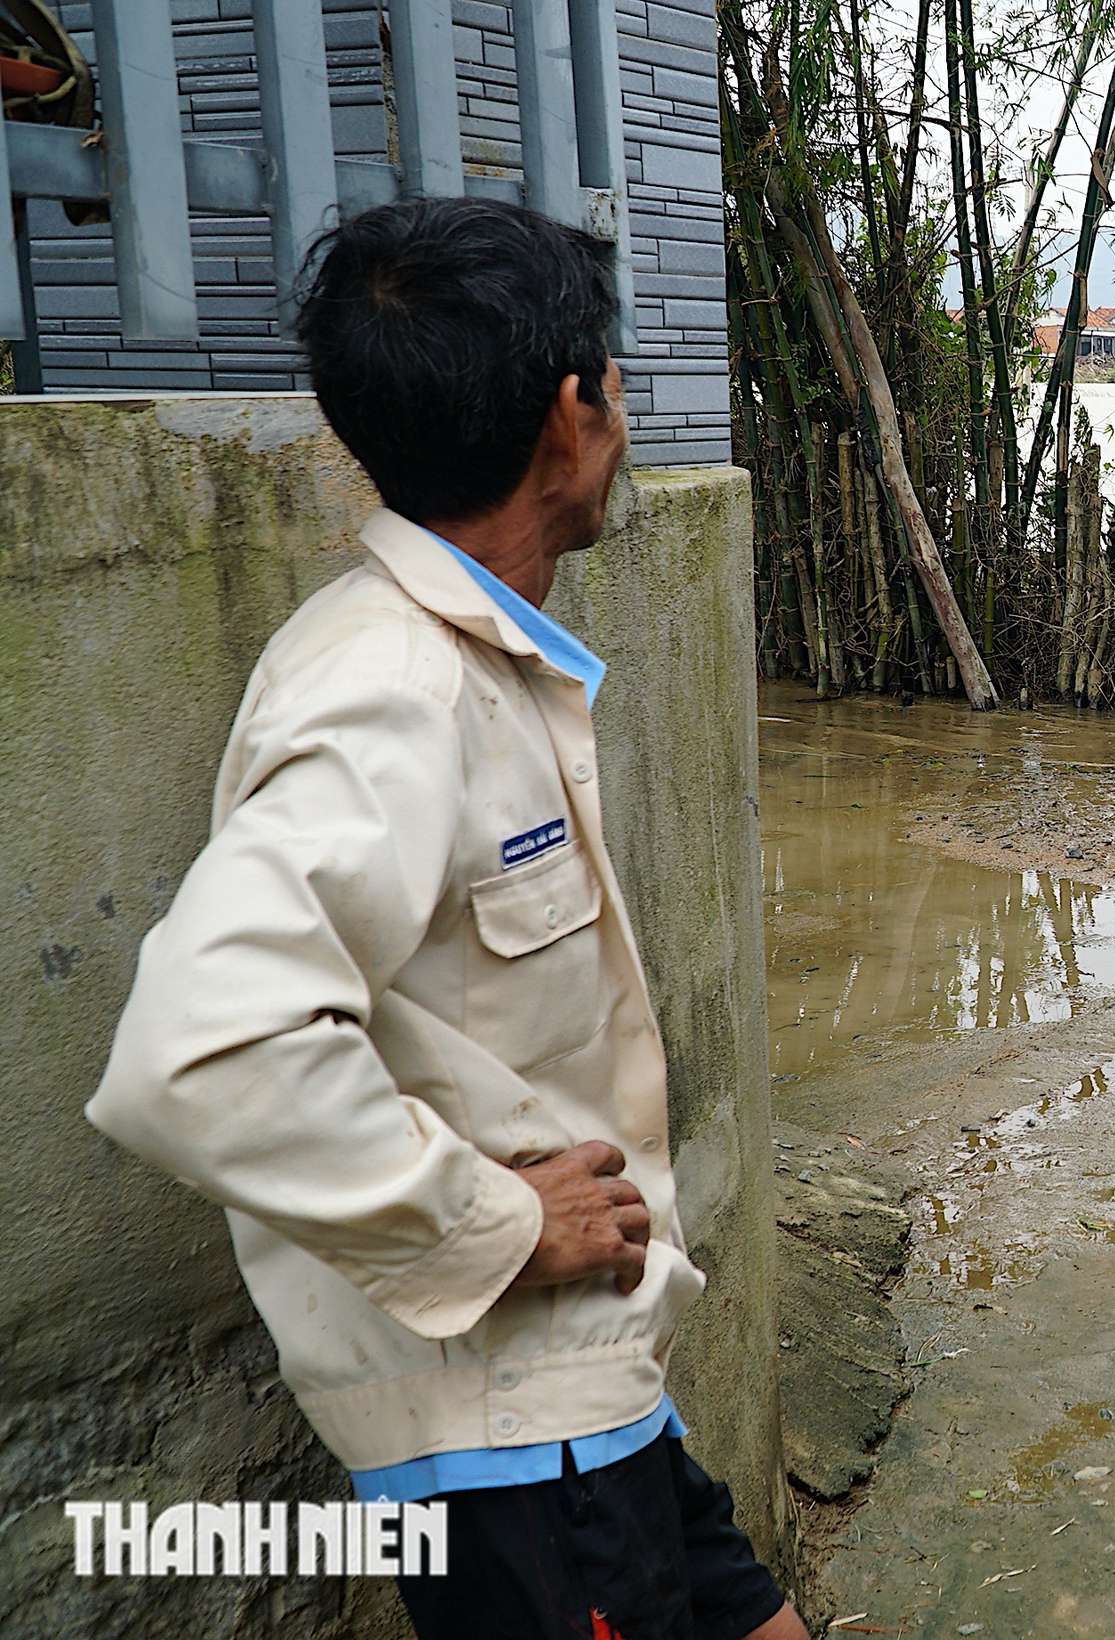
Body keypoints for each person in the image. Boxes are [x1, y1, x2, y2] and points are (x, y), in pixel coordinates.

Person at [86, 197, 807, 1640]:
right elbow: (196, 1051)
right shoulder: (388, 689)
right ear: (566, 416)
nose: (619, 414)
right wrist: (490, 1225)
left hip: (590, 1390)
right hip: (506, 1445)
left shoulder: (475, 658)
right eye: (611, 381)